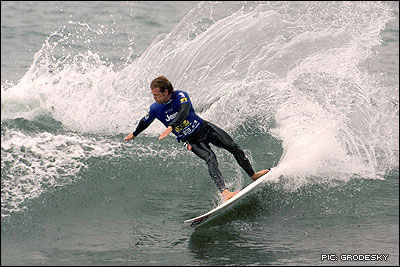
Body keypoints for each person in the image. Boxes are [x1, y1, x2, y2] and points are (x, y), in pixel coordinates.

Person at [124, 76, 269, 202]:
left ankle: (253, 174)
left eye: (156, 95)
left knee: (232, 146)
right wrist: (135, 134)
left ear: (166, 92)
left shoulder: (180, 95)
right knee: (210, 158)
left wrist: (171, 127)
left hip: (204, 128)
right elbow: (145, 121)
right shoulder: (155, 108)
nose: (154, 98)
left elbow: (184, 111)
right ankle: (225, 193)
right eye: (153, 95)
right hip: (190, 140)